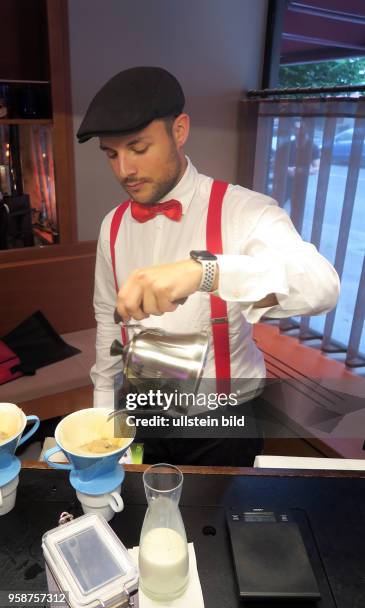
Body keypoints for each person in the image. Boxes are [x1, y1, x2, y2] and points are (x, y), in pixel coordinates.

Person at [77, 67, 339, 466]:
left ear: (179, 131)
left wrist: (206, 273)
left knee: (213, 524)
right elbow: (108, 322)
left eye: (138, 148)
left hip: (220, 422)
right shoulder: (112, 225)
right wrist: (103, 415)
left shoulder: (244, 211)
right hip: (139, 412)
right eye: (112, 154)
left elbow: (322, 287)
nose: (123, 170)